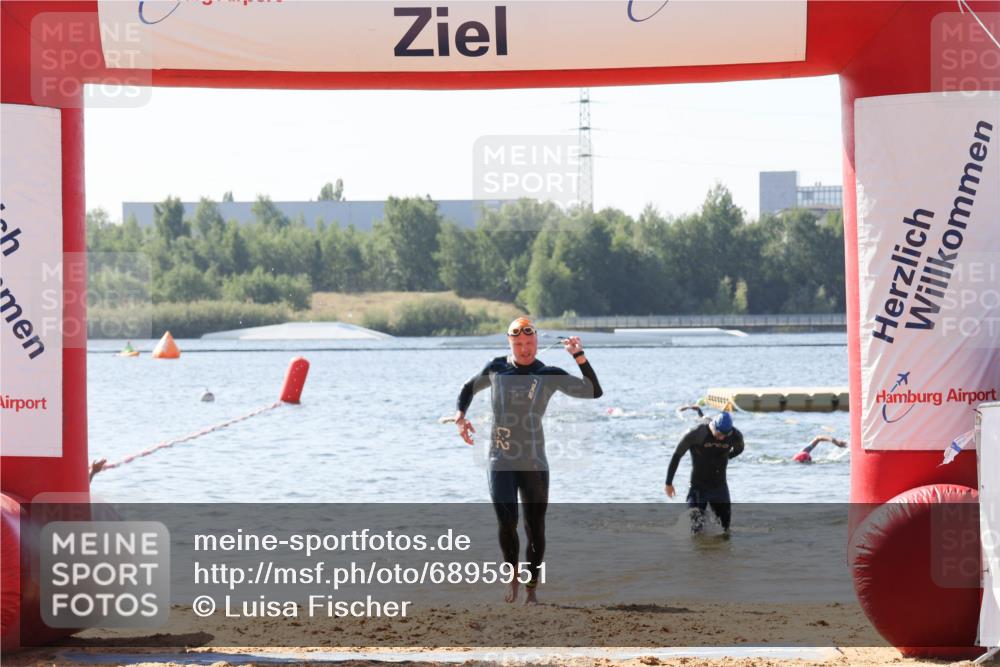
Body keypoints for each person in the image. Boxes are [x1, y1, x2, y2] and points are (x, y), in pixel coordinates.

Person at [453, 317, 602, 605]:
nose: (525, 349)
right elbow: (468, 387)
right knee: (507, 522)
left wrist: (579, 357)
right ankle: (512, 576)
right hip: (500, 457)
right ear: (510, 343)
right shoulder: (496, 368)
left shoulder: (548, 373)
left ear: (537, 342)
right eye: (518, 344)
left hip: (534, 460)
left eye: (529, 343)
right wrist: (460, 415)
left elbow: (593, 391)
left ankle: (532, 589)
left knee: (535, 527)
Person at [664, 412, 744, 535]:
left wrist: (726, 456)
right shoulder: (696, 434)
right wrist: (668, 483)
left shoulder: (735, 435)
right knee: (695, 532)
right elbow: (677, 455)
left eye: (725, 435)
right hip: (698, 488)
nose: (721, 438)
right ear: (713, 426)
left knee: (725, 531)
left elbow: (739, 449)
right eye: (719, 434)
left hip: (720, 488)